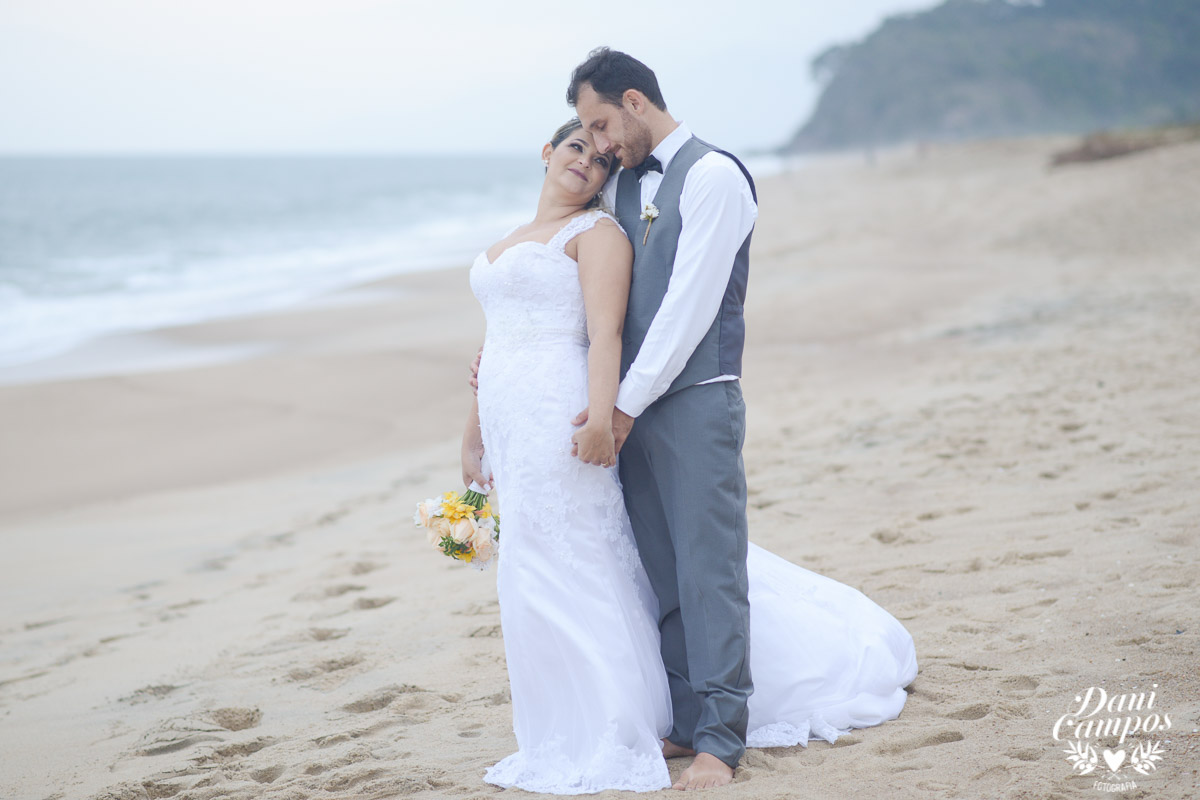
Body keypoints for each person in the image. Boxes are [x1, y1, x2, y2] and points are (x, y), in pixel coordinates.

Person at [462, 112, 917, 793]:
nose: (587, 161)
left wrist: (605, 416)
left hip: (565, 413)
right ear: (548, 150)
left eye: (601, 158)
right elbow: (494, 344)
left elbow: (607, 334)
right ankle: (567, 718)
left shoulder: (599, 233)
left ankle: (626, 719)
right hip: (512, 425)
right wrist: (472, 436)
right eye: (577, 147)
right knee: (533, 566)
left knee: (585, 561)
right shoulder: (508, 241)